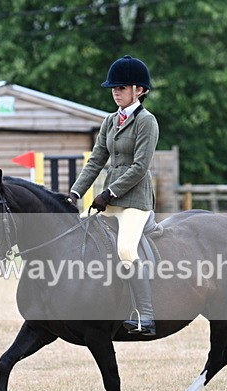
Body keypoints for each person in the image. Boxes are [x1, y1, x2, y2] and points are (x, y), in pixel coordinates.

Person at [68, 55, 159, 336]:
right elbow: (96, 161)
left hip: (135, 202)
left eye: (121, 87)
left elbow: (140, 167)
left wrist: (109, 192)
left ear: (139, 90)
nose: (115, 92)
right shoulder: (109, 121)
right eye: (113, 87)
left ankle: (146, 315)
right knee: (76, 232)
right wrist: (74, 193)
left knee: (125, 250)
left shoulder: (147, 122)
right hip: (109, 200)